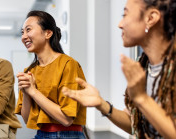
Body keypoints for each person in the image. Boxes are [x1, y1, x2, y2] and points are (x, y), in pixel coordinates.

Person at [62, 0, 176, 138]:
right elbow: (135, 125)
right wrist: (102, 104)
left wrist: (141, 98)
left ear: (151, 18)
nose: (120, 24)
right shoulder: (145, 68)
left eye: (125, 14)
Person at [15, 10, 87, 139]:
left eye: (28, 30)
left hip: (68, 135)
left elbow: (66, 119)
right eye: (22, 32)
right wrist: (26, 93)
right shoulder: (29, 71)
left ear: (48, 33)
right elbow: (27, 120)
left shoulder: (68, 64)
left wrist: (33, 91)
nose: (24, 36)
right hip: (41, 134)